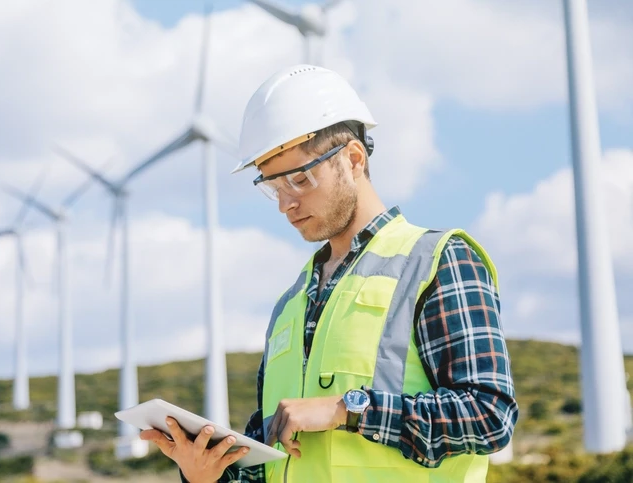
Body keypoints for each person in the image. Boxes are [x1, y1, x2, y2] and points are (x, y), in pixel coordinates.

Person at [141, 64, 519, 482]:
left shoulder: (438, 261)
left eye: (300, 179)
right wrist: (206, 474)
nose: (286, 204)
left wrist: (348, 410)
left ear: (353, 159)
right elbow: (275, 461)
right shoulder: (291, 303)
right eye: (273, 187)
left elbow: (490, 415)